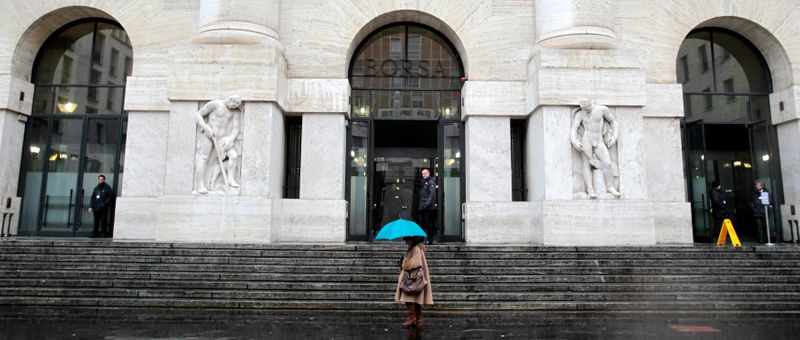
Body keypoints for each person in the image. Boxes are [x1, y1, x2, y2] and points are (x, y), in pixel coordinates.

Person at [570, 99, 622, 198]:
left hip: (599, 140)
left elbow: (613, 121)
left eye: (587, 108)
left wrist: (614, 136)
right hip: (587, 139)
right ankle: (590, 190)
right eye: (584, 109)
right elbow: (574, 128)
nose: (586, 111)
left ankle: (610, 187)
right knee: (586, 164)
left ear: (591, 104)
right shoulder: (580, 114)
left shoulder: (602, 110)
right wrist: (575, 141)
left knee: (607, 163)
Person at [194, 95, 242, 194]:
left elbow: (236, 128)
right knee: (204, 158)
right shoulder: (215, 104)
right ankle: (200, 185)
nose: (234, 106)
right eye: (234, 104)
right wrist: (206, 128)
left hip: (224, 138)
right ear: (230, 100)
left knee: (233, 156)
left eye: (236, 105)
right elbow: (198, 115)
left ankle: (230, 180)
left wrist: (231, 139)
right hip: (209, 135)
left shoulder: (235, 111)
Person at [395, 236, 433, 328]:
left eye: (407, 240)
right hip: (414, 279)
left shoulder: (415, 248)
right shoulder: (415, 247)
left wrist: (404, 262)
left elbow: (416, 263)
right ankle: (418, 319)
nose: (405, 242)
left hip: (412, 279)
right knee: (416, 300)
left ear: (413, 239)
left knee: (408, 298)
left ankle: (412, 318)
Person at [418, 168, 437, 244]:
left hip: (428, 208)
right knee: (422, 224)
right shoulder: (424, 182)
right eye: (423, 174)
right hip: (423, 207)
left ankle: (430, 239)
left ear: (428, 173)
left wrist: (426, 204)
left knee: (429, 224)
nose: (424, 175)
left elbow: (431, 195)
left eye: (425, 173)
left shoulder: (431, 182)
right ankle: (421, 239)